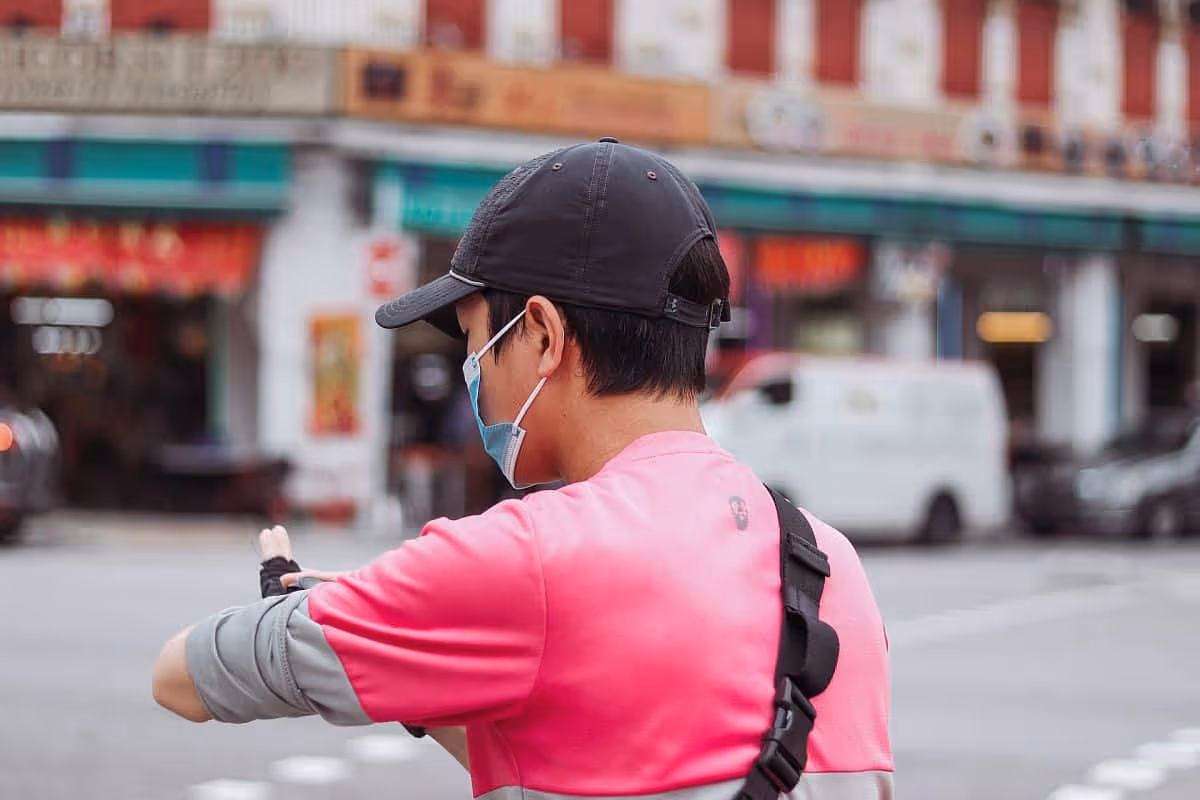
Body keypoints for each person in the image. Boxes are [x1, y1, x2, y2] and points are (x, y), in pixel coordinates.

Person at [152, 138, 893, 799]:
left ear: (540, 334)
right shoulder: (827, 562)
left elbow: (180, 676)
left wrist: (324, 613)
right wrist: (412, 650)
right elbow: (574, 752)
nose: (471, 370)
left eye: (474, 340)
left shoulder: (522, 556)